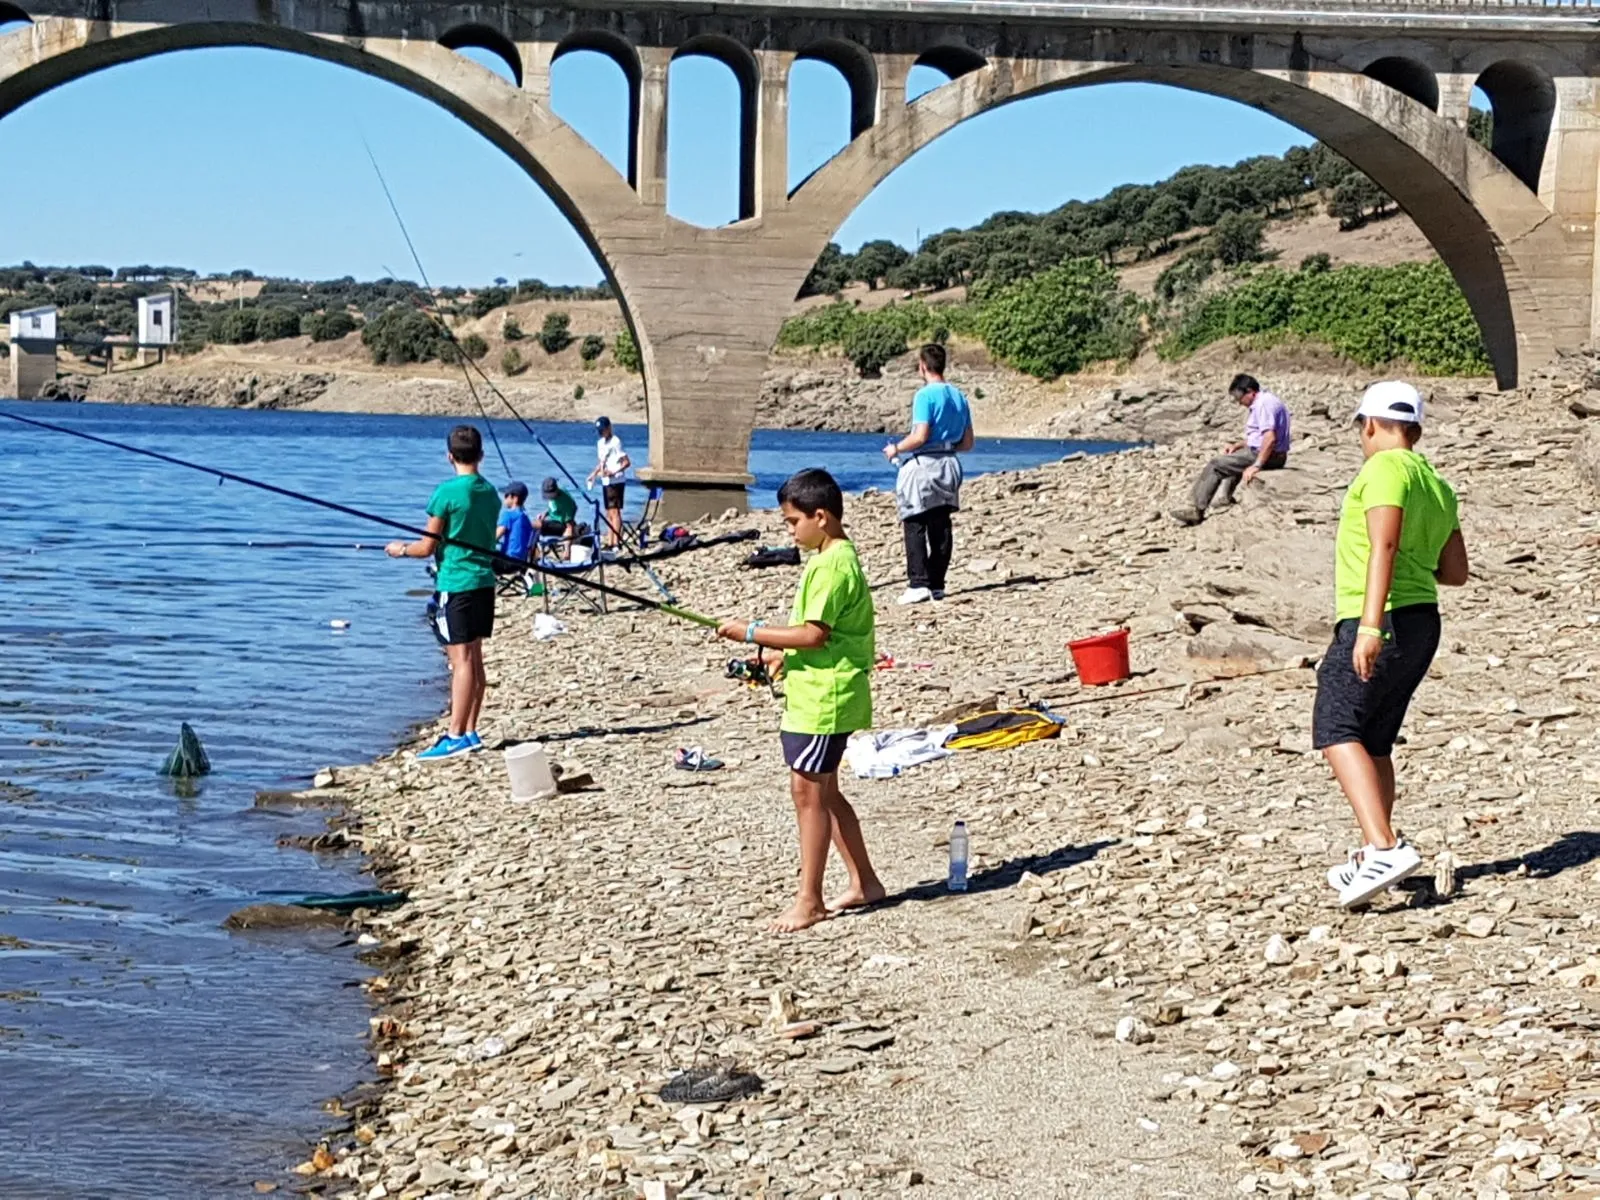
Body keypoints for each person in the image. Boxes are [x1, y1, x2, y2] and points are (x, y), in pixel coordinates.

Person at [1314, 382, 1469, 908]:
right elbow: (1456, 571)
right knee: (1375, 738)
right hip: (1423, 620)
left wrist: (1369, 627)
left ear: (1372, 424)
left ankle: (1384, 846)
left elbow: (1383, 544)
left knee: (1336, 727)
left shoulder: (1384, 469)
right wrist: (1415, 566)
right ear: (1416, 430)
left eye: (1362, 427)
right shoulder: (1438, 485)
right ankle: (1374, 850)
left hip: (1383, 618)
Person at [715, 467, 884, 933]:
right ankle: (865, 882)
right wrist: (779, 655)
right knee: (823, 793)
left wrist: (750, 632)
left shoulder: (832, 565)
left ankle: (809, 900)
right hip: (820, 691)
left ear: (820, 517)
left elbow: (813, 634)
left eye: (793, 522)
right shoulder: (832, 558)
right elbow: (827, 635)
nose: (790, 531)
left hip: (825, 698)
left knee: (807, 793)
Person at [385, 425, 501, 762]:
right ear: (481, 455)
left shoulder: (446, 493)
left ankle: (455, 736)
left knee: (460, 661)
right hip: (484, 582)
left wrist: (400, 549)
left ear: (450, 456)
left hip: (456, 583)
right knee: (475, 658)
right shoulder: (491, 492)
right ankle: (470, 731)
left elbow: (426, 547)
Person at [883, 343, 974, 605]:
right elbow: (968, 442)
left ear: (923, 366)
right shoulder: (959, 397)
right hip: (950, 462)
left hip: (925, 463)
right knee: (941, 522)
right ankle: (937, 583)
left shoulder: (924, 396)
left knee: (915, 520)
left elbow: (920, 435)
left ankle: (918, 583)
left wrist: (896, 448)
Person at [1171, 373, 1291, 526]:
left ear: (1250, 391)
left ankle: (1195, 509)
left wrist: (1257, 465)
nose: (1239, 403)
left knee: (1216, 465)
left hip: (1271, 456)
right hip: (1273, 453)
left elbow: (1270, 438)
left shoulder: (1263, 405)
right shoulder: (1267, 400)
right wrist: (1238, 445)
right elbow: (1260, 438)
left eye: (1239, 398)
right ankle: (1224, 499)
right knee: (1233, 458)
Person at [586, 416, 630, 549]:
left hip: (616, 480)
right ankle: (610, 541)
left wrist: (614, 471)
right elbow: (602, 462)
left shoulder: (616, 441)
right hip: (606, 481)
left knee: (615, 512)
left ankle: (616, 542)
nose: (601, 433)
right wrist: (593, 474)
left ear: (609, 428)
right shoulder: (600, 443)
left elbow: (626, 462)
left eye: (603, 430)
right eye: (599, 431)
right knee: (608, 513)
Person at [495, 481, 535, 565]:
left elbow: (496, 536)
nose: (504, 498)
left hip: (508, 561)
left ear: (515, 498)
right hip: (521, 562)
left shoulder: (508, 514)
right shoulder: (525, 518)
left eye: (506, 495)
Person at [537, 476, 579, 550]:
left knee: (535, 525)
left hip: (561, 526)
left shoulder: (565, 501)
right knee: (536, 525)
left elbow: (569, 526)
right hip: (554, 521)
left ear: (556, 490)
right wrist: (545, 514)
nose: (548, 497)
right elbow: (554, 508)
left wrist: (567, 550)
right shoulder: (555, 496)